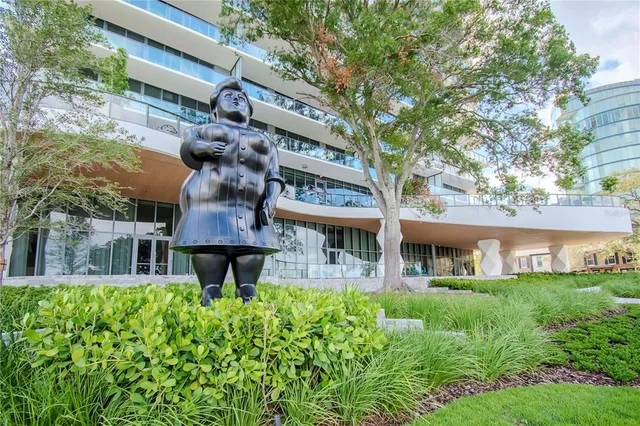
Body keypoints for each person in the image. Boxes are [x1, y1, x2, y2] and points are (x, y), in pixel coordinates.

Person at [170, 77, 284, 305]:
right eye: (228, 97)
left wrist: (272, 199)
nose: (236, 100)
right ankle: (210, 292)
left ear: (250, 111)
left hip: (252, 215)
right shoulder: (201, 130)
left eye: (241, 98)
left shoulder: (267, 142)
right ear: (214, 110)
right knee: (210, 253)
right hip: (210, 209)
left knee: (251, 254)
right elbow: (188, 146)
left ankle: (247, 291)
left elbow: (274, 176)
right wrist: (204, 148)